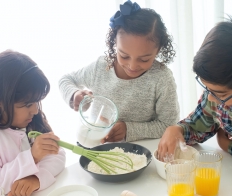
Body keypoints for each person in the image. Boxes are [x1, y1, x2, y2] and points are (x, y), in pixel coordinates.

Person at [157, 17, 232, 173]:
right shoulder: (218, 91)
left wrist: (226, 145)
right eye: (207, 89)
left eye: (220, 93)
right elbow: (199, 127)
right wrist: (177, 129)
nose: (210, 98)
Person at [59, 0, 180, 143]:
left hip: (139, 154)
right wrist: (74, 94)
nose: (132, 66)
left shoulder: (162, 78)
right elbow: (65, 80)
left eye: (144, 59)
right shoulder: (101, 67)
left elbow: (169, 126)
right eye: (124, 56)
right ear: (115, 43)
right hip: (96, 147)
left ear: (158, 51)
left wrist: (128, 129)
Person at [0, 50, 66, 196]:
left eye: (37, 101)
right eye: (28, 104)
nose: (35, 110)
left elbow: (58, 154)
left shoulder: (31, 121)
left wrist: (36, 178)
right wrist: (32, 157)